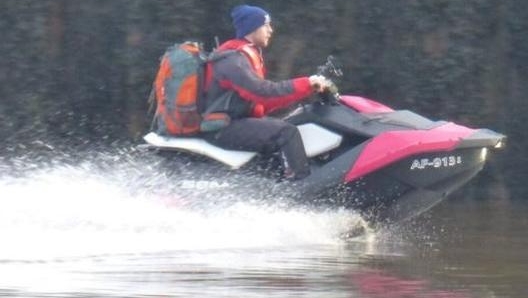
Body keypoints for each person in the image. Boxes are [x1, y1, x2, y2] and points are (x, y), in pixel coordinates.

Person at [202, 4, 331, 180]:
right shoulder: (232, 60)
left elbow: (262, 102)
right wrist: (306, 84)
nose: (271, 30)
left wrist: (306, 91)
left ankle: (276, 182)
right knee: (286, 132)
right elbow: (262, 93)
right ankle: (300, 188)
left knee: (288, 123)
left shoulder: (242, 56)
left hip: (234, 123)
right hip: (222, 128)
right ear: (252, 28)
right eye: (266, 25)